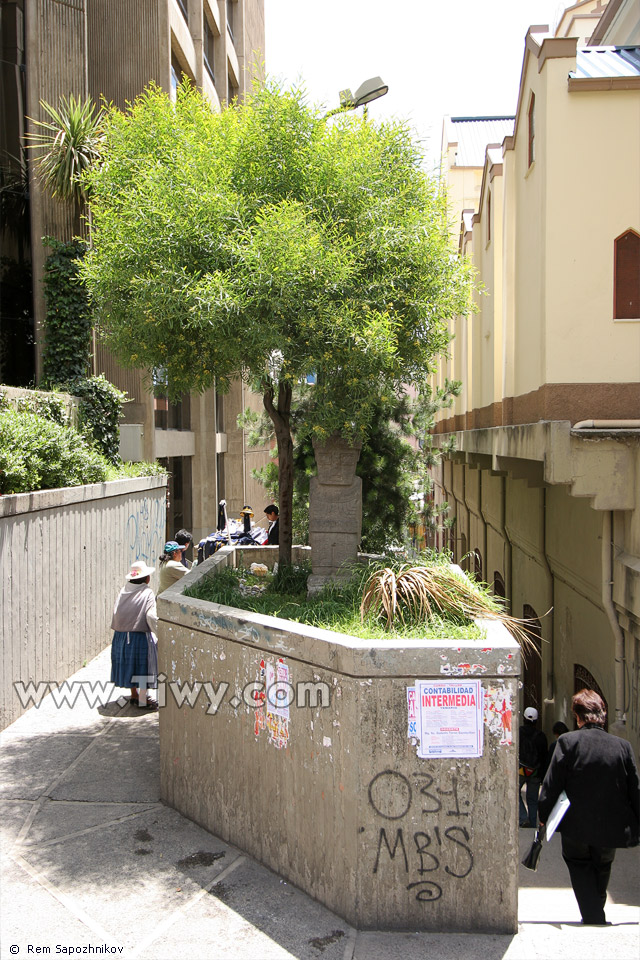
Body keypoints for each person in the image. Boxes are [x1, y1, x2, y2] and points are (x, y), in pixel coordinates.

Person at [538, 689, 639, 926]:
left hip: (576, 824)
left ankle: (594, 915)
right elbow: (634, 788)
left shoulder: (567, 742)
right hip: (610, 824)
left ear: (578, 717)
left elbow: (551, 785)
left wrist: (543, 815)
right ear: (602, 715)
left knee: (578, 863)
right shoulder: (622, 747)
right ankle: (595, 912)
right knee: (602, 865)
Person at [110, 560, 159, 709]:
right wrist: (158, 632)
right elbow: (151, 615)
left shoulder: (123, 591)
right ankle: (143, 699)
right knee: (143, 667)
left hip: (120, 636)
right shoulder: (147, 592)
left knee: (130, 666)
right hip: (139, 635)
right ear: (147, 578)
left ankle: (134, 695)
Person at [519, 706, 548, 827]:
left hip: (520, 769)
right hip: (535, 771)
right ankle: (531, 822)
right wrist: (542, 774)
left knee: (515, 793)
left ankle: (523, 817)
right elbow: (544, 756)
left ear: (524, 718)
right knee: (532, 799)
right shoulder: (541, 736)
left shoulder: (518, 732)